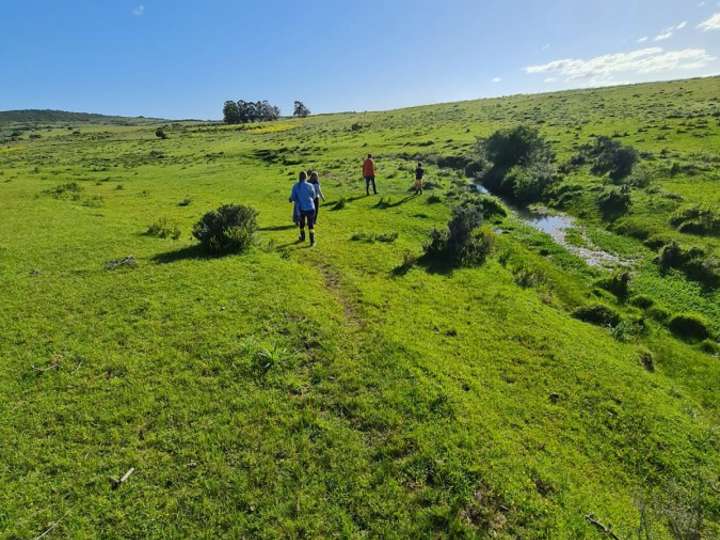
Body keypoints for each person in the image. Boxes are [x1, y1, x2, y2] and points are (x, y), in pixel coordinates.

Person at [289, 171, 318, 245]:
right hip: (311, 208)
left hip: (302, 208)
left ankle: (303, 237)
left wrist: (291, 199)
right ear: (306, 177)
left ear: (299, 177)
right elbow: (314, 196)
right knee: (311, 224)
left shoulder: (295, 186)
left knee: (302, 224)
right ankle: (312, 241)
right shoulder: (310, 185)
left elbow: (293, 197)